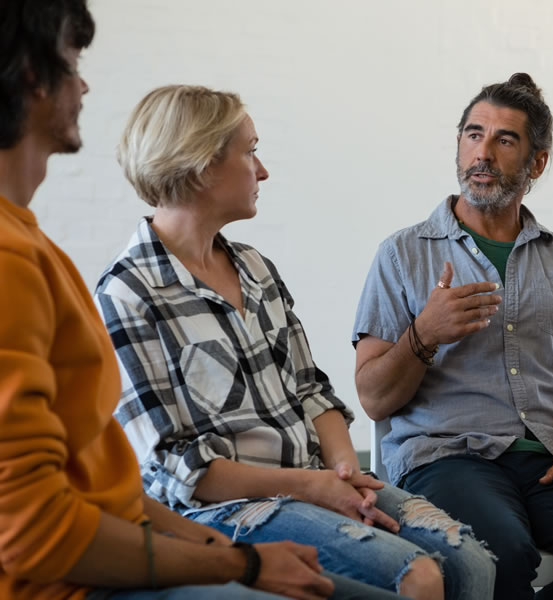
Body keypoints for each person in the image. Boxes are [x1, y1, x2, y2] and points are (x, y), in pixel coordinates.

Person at [0, 2, 403, 599]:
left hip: (169, 530)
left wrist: (234, 553)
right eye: (71, 60)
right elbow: (36, 530)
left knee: (446, 567)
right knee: (404, 582)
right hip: (84, 579)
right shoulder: (27, 264)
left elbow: (108, 484)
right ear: (33, 77)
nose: (84, 83)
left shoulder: (36, 248)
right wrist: (240, 563)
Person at [95, 84, 495, 600]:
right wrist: (312, 486)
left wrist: (343, 470)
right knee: (415, 574)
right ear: (200, 166)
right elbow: (179, 470)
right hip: (222, 510)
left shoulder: (256, 269)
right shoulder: (127, 293)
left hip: (312, 479)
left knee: (472, 563)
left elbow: (311, 391)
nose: (262, 171)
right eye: (250, 151)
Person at [352, 73, 553, 600]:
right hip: (448, 458)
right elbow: (373, 397)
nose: (483, 153)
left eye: (504, 139)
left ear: (536, 163)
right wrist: (424, 334)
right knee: (500, 556)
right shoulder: (402, 254)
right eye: (473, 134)